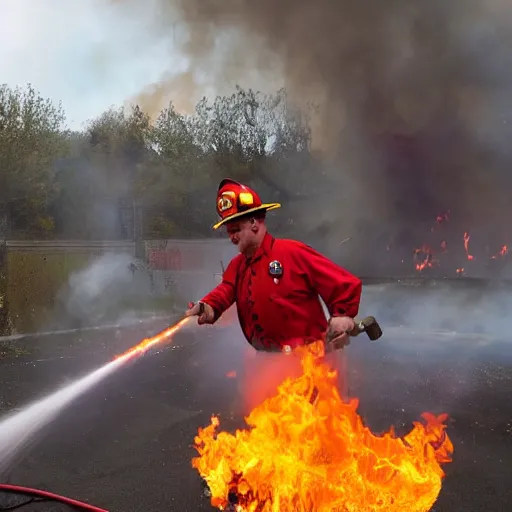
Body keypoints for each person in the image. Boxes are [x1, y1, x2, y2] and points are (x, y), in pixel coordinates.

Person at [185, 178, 363, 410]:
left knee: (312, 435)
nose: (232, 237)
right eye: (229, 231)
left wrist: (342, 315)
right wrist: (207, 306)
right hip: (267, 367)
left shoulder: (292, 252)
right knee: (271, 436)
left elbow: (344, 283)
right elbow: (225, 291)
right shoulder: (237, 266)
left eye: (236, 230)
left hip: (308, 364)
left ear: (254, 223)